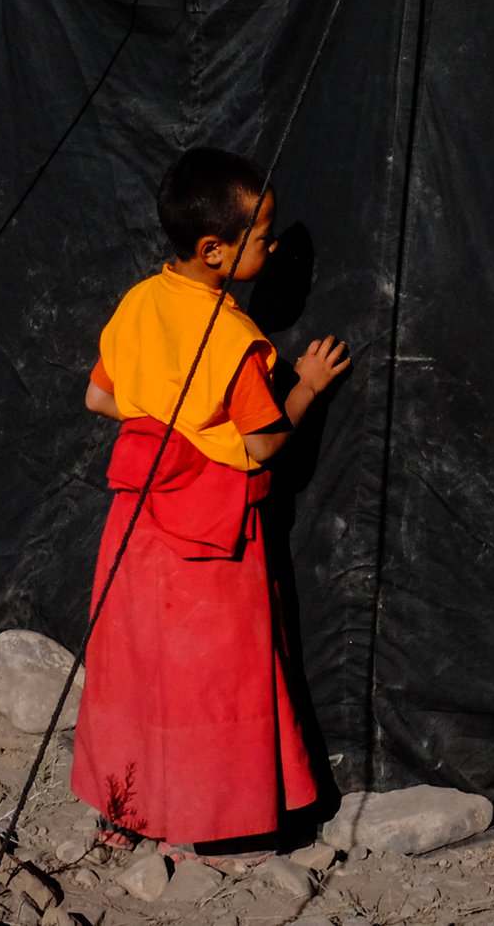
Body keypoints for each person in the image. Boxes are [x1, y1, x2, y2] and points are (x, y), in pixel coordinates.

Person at [71, 146, 351, 852]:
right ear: (215, 250)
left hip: (136, 523)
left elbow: (99, 395)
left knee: (136, 665)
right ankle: (211, 816)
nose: (275, 247)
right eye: (262, 238)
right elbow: (260, 445)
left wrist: (169, 423)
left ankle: (122, 810)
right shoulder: (237, 341)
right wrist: (309, 385)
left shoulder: (138, 301)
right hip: (213, 534)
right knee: (212, 680)